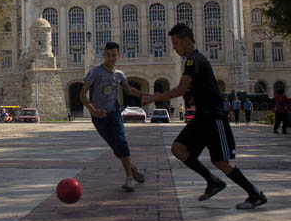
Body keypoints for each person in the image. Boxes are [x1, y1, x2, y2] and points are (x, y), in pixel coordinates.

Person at [142, 23, 266, 209]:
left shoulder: (194, 60)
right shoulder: (193, 61)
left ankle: (255, 194)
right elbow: (190, 90)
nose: (174, 48)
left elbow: (179, 89)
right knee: (178, 148)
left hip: (214, 118)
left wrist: (152, 97)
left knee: (220, 162)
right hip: (202, 117)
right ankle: (212, 181)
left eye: (175, 43)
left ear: (186, 40)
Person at [80, 41, 148, 192]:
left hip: (114, 113)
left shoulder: (119, 75)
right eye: (108, 55)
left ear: (118, 56)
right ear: (104, 55)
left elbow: (129, 90)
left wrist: (146, 95)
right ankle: (133, 169)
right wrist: (93, 111)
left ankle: (129, 178)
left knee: (122, 142)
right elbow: (82, 95)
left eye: (114, 55)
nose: (111, 58)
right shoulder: (95, 72)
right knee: (116, 148)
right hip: (99, 117)